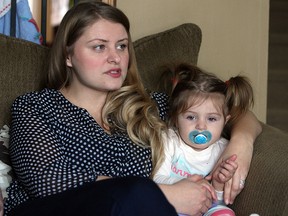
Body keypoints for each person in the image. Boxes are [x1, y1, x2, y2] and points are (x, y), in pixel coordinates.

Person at [3, 1, 262, 216]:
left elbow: (238, 116)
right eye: (99, 46)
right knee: (139, 192)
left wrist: (241, 142)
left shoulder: (149, 106)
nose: (115, 57)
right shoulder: (35, 107)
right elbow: (47, 179)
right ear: (67, 56)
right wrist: (166, 194)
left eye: (122, 46)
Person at [153, 63, 254, 215]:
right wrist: (189, 186)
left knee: (225, 213)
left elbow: (218, 200)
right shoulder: (169, 140)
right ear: (175, 118)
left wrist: (219, 183)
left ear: (225, 121)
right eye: (191, 117)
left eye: (212, 119)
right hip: (175, 205)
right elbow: (157, 179)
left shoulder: (225, 149)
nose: (201, 126)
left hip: (208, 208)